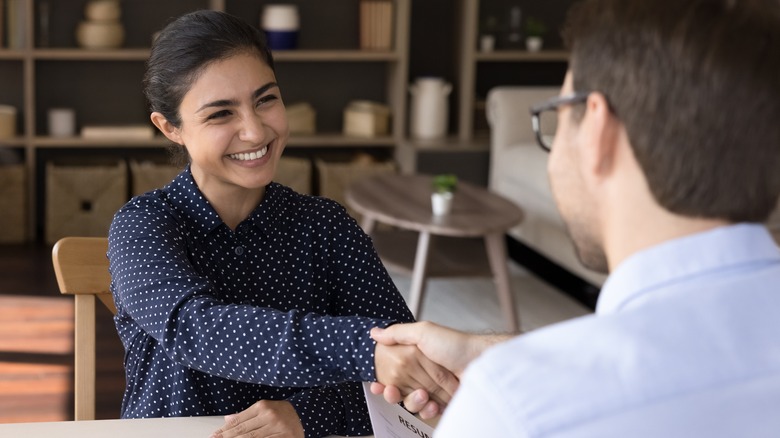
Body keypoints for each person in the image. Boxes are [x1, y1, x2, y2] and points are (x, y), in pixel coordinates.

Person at [371, 0, 780, 435]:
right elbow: (705, 346)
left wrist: (505, 378)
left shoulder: (515, 409)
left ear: (598, 131)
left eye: (557, 116)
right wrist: (489, 352)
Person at [106, 10, 457, 438]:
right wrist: (365, 348)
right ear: (170, 127)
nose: (254, 132)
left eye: (265, 99)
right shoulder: (142, 225)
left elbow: (401, 374)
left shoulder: (327, 227)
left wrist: (306, 414)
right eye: (220, 114)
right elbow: (196, 329)